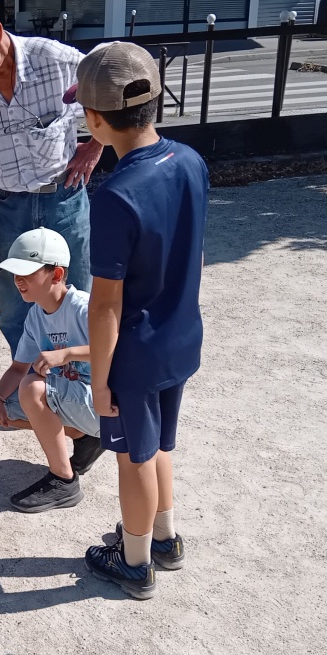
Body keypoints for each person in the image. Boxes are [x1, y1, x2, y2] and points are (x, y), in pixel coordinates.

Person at [70, 42, 208, 601]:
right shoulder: (191, 161)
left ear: (97, 120)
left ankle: (133, 561)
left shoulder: (115, 196)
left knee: (132, 456)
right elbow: (194, 253)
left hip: (137, 352)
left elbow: (105, 306)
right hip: (181, 336)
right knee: (159, 447)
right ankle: (165, 539)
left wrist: (101, 380)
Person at [0, 0, 104, 358]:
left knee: (77, 299)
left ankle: (81, 391)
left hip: (64, 199)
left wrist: (95, 147)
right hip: (8, 209)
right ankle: (30, 389)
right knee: (15, 310)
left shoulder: (56, 61)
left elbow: (108, 90)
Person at [0, 228, 104, 513]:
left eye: (27, 272)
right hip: (77, 402)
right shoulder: (36, 314)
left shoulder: (83, 308)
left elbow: (121, 349)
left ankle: (64, 481)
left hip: (107, 404)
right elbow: (17, 368)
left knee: (32, 388)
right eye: (15, 273)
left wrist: (69, 353)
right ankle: (86, 439)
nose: (18, 280)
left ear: (57, 275)